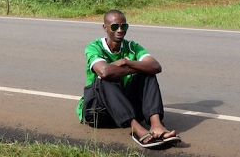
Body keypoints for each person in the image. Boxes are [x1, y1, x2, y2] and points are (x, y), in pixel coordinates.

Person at [76, 9, 181, 148]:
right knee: (105, 79)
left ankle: (156, 125)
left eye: (123, 26)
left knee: (147, 72)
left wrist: (125, 62)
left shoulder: (132, 47)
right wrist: (135, 67)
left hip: (123, 108)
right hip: (97, 111)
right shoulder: (94, 47)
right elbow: (104, 71)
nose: (120, 30)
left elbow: (155, 66)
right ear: (105, 28)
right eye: (115, 26)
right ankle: (136, 128)